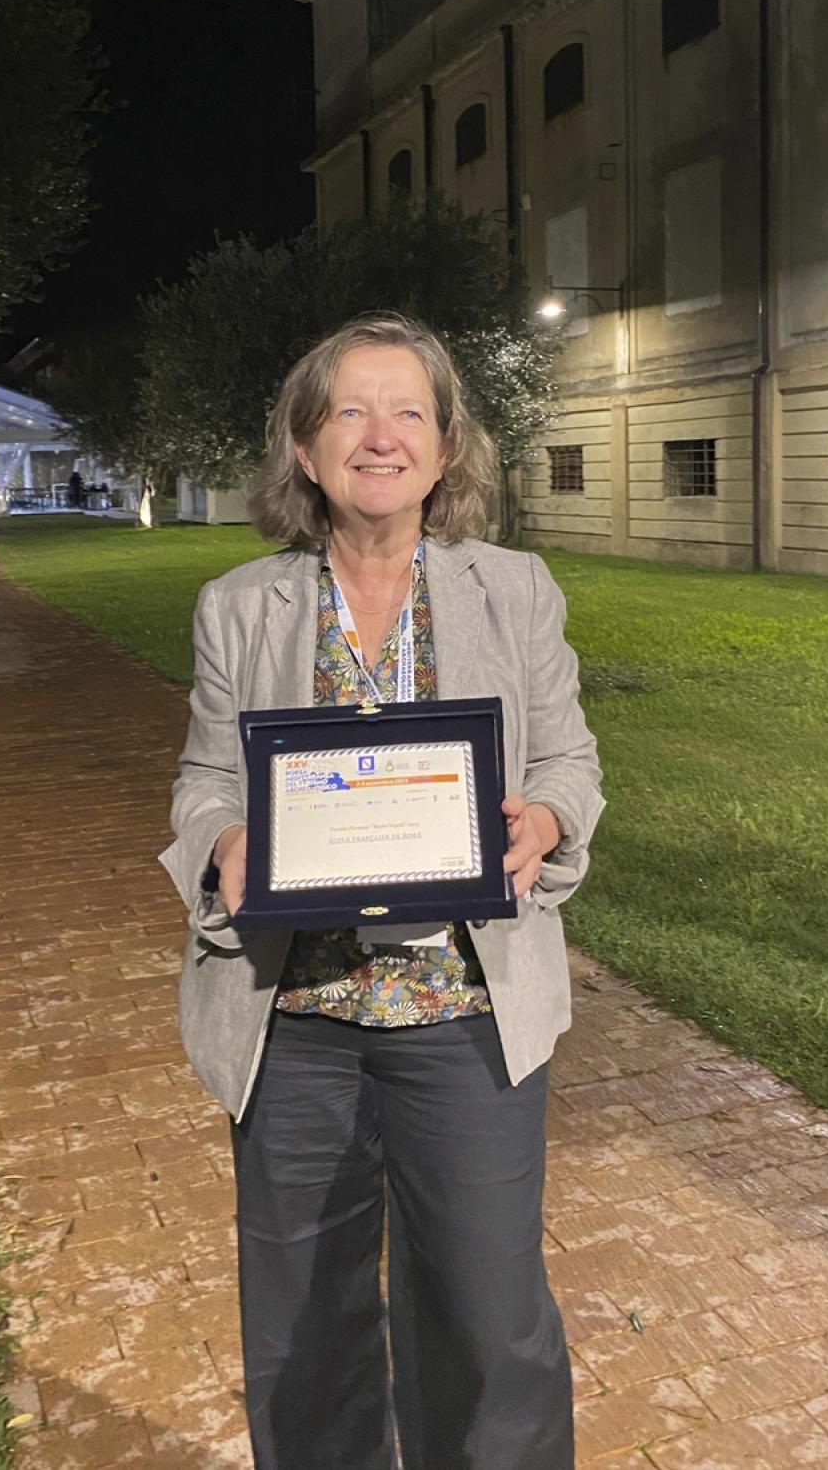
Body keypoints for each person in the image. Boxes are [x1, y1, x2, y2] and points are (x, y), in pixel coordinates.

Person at [160, 315, 603, 1470]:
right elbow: (207, 777)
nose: (379, 435)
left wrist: (544, 816)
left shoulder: (513, 590)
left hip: (463, 1012)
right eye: (348, 411)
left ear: (446, 448)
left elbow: (565, 758)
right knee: (304, 1331)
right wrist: (222, 846)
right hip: (293, 1020)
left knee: (488, 1317)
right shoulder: (237, 606)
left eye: (407, 410)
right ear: (303, 450)